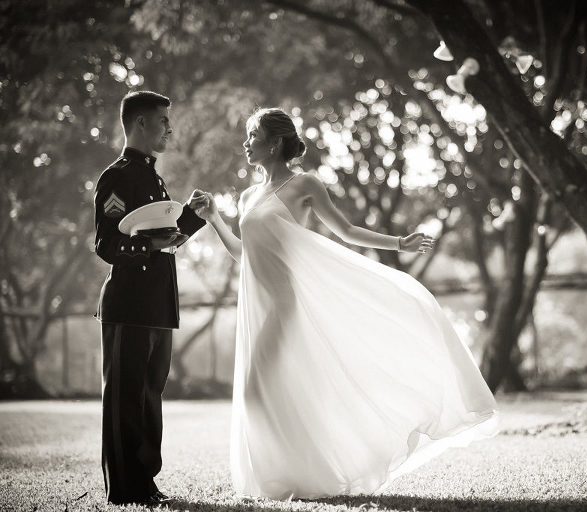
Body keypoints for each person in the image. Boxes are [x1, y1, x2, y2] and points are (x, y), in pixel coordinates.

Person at [195, 107, 498, 500]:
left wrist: (397, 242)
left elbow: (346, 230)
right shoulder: (248, 196)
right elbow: (244, 255)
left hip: (286, 305)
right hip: (257, 305)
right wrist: (214, 219)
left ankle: (293, 476)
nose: (246, 143)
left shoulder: (304, 184)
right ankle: (293, 478)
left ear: (274, 143)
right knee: (276, 392)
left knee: (256, 391)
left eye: (253, 136)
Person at [93, 90, 208, 505]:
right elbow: (107, 244)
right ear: (140, 123)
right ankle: (125, 488)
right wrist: (149, 247)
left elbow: (165, 239)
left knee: (149, 396)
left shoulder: (153, 177)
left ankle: (146, 482)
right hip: (128, 303)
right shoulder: (117, 176)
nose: (169, 129)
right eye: (163, 121)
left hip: (158, 302)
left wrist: (193, 218)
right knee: (126, 397)